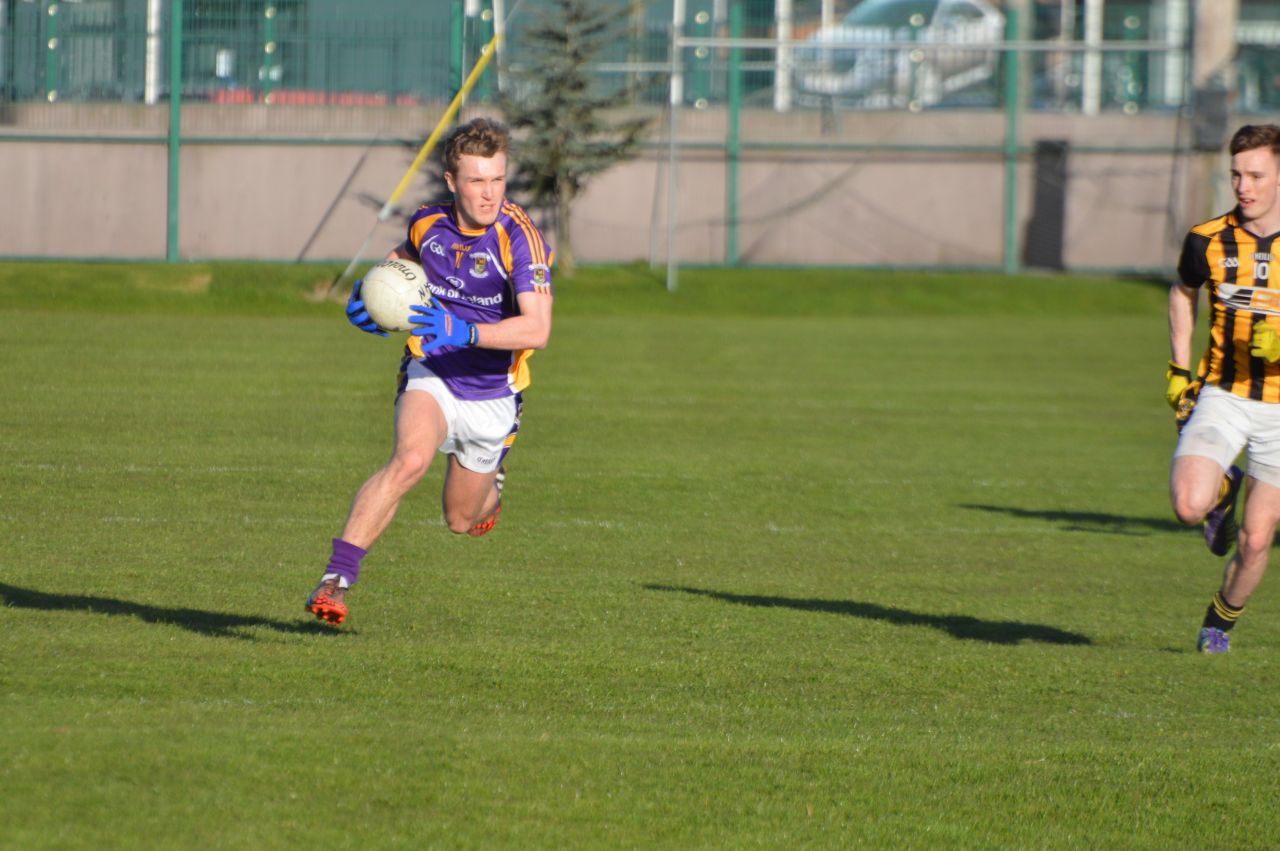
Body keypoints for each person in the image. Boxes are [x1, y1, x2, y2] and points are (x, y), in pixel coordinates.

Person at [305, 117, 554, 626]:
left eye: (498, 179)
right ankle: (335, 581)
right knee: (410, 460)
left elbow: (537, 329)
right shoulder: (427, 224)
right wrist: (369, 299)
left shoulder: (519, 238)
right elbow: (399, 262)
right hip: (433, 370)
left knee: (462, 519)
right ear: (451, 182)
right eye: (476, 181)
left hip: (491, 393)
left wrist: (465, 331)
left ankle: (493, 487)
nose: (490, 194)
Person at [1167, 123, 1280, 654]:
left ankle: (1220, 622)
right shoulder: (1207, 238)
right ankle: (1222, 490)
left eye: (1255, 174)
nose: (1243, 185)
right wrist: (1178, 370)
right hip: (1224, 393)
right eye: (1236, 174)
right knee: (1189, 506)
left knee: (1257, 540)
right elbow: (1183, 292)